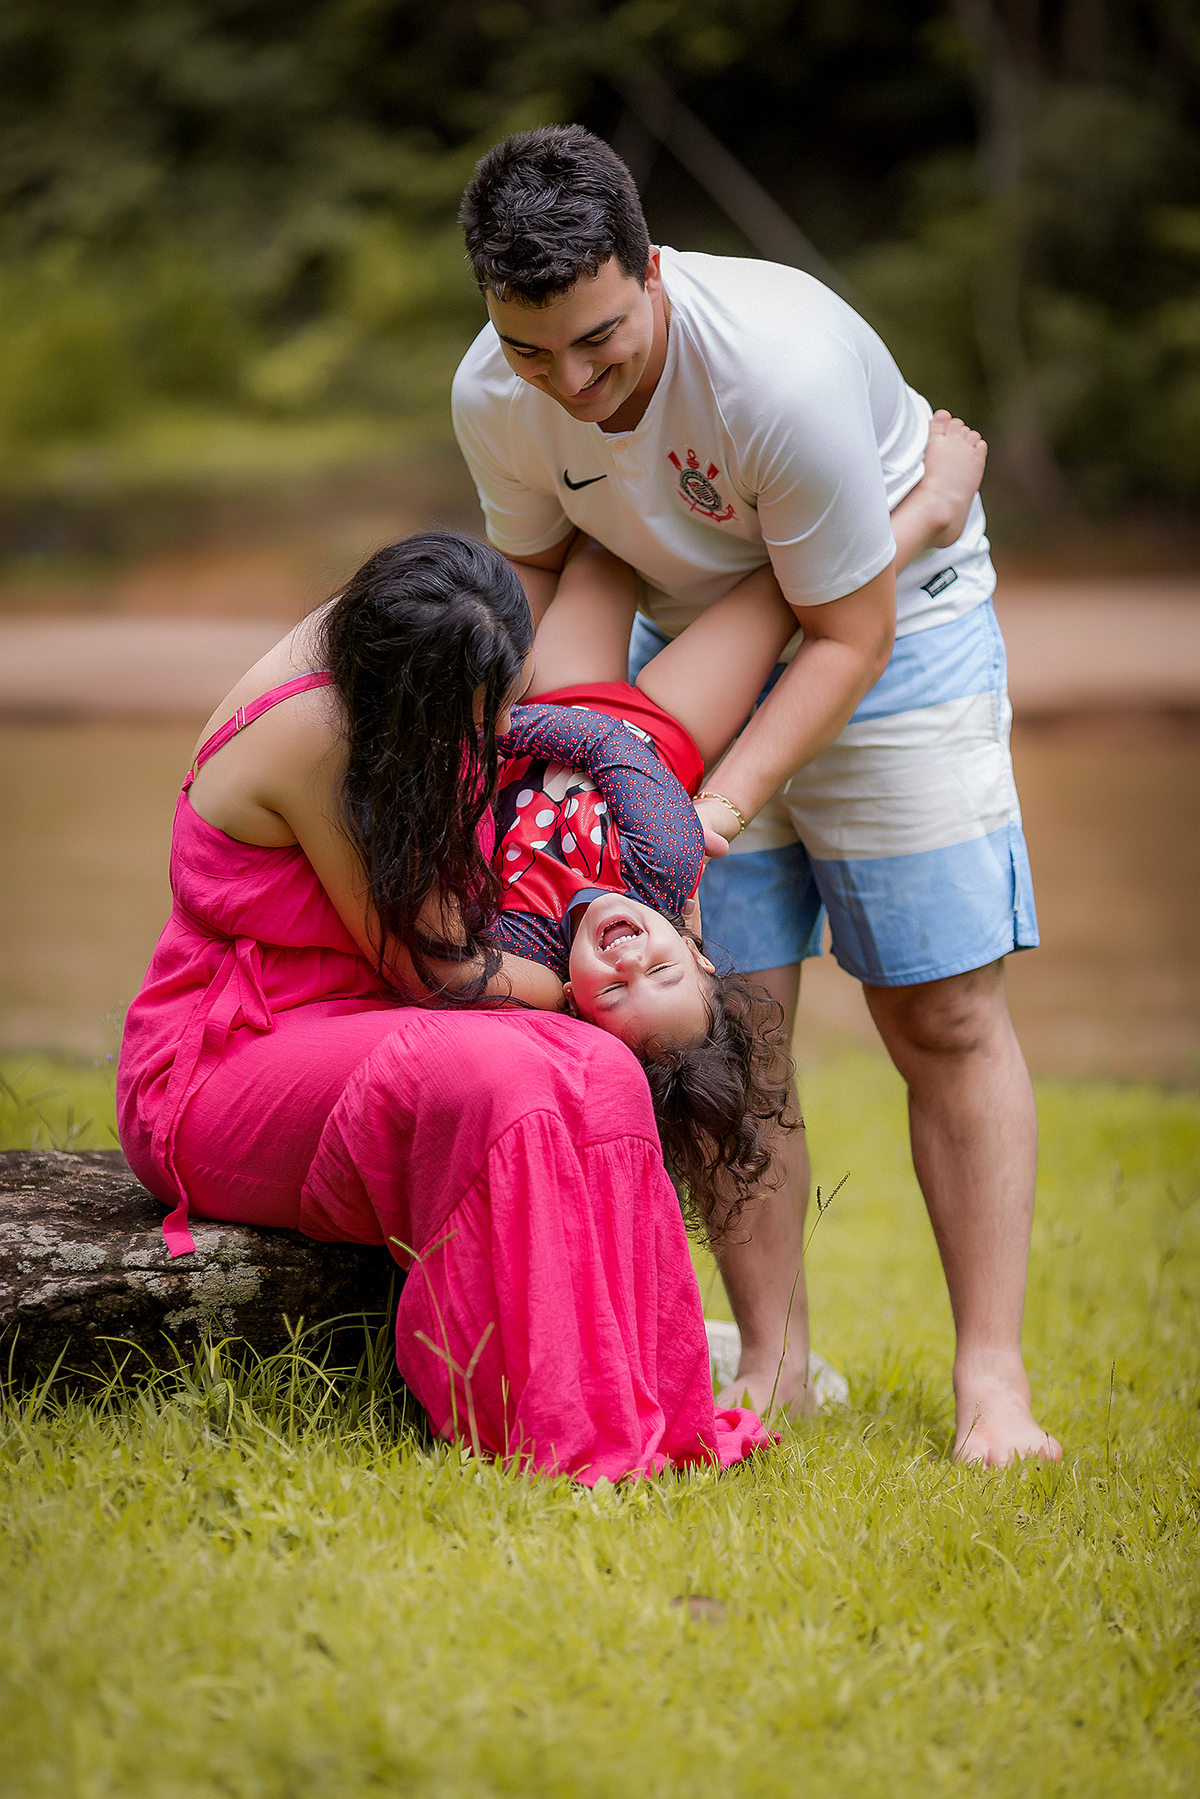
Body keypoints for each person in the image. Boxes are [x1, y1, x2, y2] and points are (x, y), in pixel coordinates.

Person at [451, 124, 1060, 1465]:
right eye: (532, 351)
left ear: (651, 269)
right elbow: (549, 575)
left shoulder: (776, 374)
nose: (572, 384)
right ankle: (775, 1362)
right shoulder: (494, 392)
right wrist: (572, 763)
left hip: (895, 626)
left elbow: (846, 628)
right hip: (695, 652)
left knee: (943, 1008)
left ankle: (994, 1384)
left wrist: (705, 811)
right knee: (733, 1019)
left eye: (599, 341)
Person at [116, 531, 770, 1482]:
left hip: (367, 1017)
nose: (499, 725)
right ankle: (555, 1430)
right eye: (484, 712)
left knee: (602, 1065)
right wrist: (584, 982)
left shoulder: (419, 641)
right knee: (505, 1072)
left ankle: (658, 1406)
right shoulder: (318, 734)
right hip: (227, 1059)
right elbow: (440, 971)